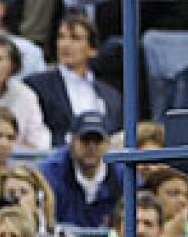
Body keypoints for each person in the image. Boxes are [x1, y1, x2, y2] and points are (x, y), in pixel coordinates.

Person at [27, 13, 122, 144]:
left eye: (75, 38)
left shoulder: (112, 95)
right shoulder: (36, 85)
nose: (65, 44)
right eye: (61, 37)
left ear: (92, 50)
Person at [41, 112, 118, 229]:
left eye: (97, 141)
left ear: (108, 144)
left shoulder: (123, 175)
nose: (91, 147)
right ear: (71, 141)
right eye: (85, 140)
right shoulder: (51, 174)